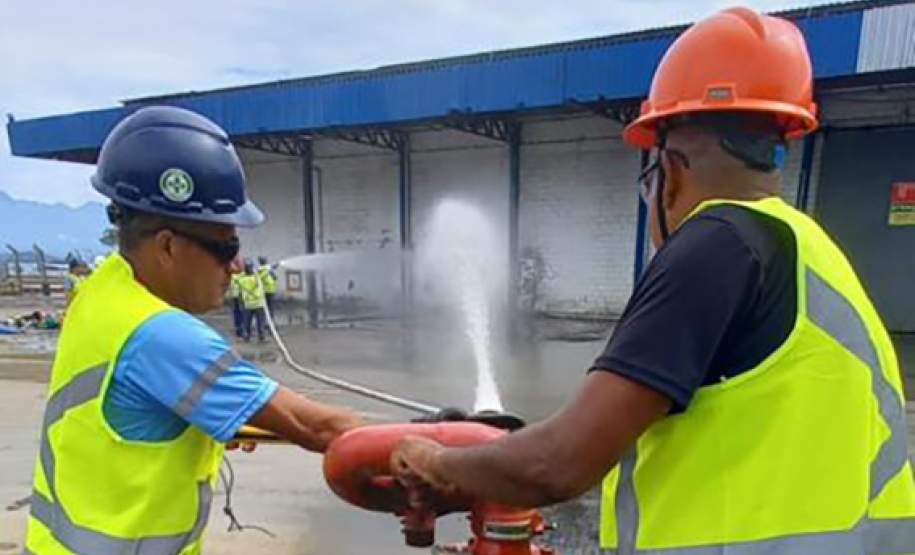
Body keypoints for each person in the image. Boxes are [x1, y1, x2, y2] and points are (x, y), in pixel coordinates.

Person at [391, 8, 915, 554]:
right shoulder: (809, 250)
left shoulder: (716, 242)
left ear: (671, 170)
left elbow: (560, 464)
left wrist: (435, 461)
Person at [23, 106, 361, 555]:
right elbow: (321, 428)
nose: (237, 265)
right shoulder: (164, 336)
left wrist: (228, 422)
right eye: (226, 245)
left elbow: (128, 411)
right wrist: (445, 449)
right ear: (167, 246)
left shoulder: (101, 291)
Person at [239, 260, 267, 342]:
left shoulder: (242, 280)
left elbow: (237, 277)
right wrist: (262, 267)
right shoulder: (257, 278)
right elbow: (266, 272)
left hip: (248, 304)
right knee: (260, 321)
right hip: (259, 303)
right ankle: (261, 336)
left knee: (247, 321)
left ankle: (246, 336)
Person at [227, 267, 244, 338]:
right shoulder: (242, 275)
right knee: (240, 313)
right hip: (239, 297)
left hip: (236, 297)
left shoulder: (233, 277)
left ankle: (239, 329)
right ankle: (240, 329)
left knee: (237, 314)